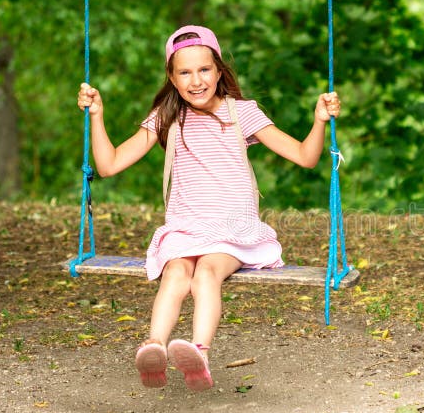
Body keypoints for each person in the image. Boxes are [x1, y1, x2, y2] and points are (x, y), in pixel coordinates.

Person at [76, 25, 341, 392]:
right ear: (171, 77)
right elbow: (109, 165)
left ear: (219, 71)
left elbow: (304, 156)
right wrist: (96, 115)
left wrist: (319, 121)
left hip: (233, 231)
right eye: (184, 72)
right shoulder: (166, 116)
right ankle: (154, 346)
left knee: (206, 275)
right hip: (186, 230)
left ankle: (198, 352)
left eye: (204, 70)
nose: (196, 80)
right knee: (175, 274)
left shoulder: (242, 113)